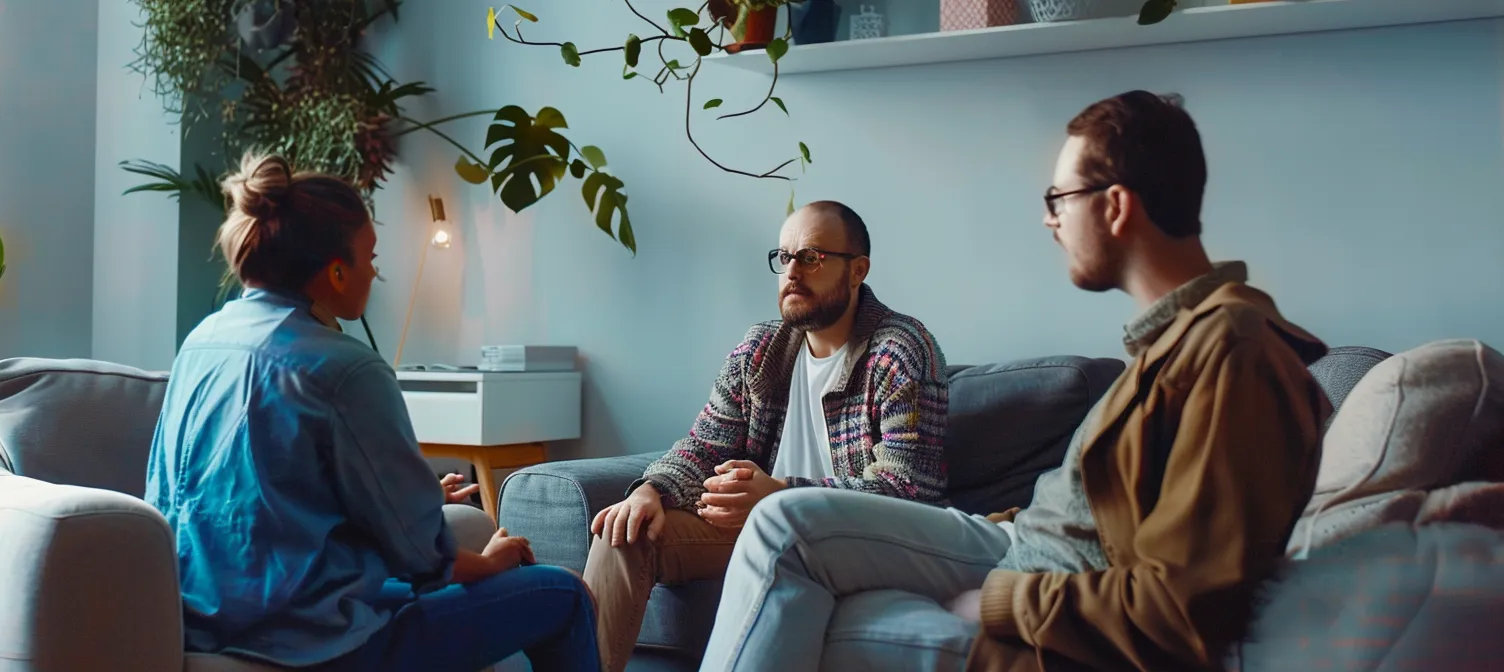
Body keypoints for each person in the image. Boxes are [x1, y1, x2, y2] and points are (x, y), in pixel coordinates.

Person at [696, 90, 1334, 672]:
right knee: (797, 553)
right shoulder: (1175, 346)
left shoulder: (1232, 354)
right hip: (1011, 538)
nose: (1049, 222)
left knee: (784, 522)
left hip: (1030, 577)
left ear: (1115, 207)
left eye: (1059, 200)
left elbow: (1183, 605)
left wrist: (1003, 605)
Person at [144, 154, 599, 672]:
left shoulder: (202, 343)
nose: (374, 272)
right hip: (312, 641)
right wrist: (490, 562)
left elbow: (260, 496)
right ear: (337, 272)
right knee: (563, 595)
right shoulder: (345, 368)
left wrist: (415, 501)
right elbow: (424, 555)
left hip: (206, 621)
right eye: (370, 256)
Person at [584, 201, 951, 672]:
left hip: (855, 541)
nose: (792, 271)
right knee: (625, 531)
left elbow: (911, 492)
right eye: (784, 257)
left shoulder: (900, 351)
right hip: (758, 531)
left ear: (857, 270)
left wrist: (778, 495)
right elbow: (706, 443)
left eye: (812, 257)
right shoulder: (761, 349)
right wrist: (652, 490)